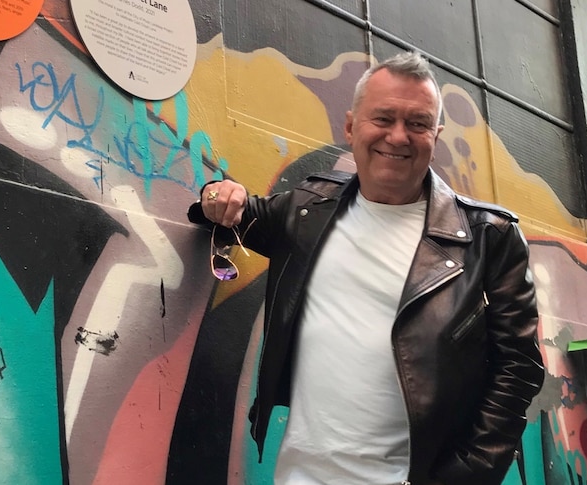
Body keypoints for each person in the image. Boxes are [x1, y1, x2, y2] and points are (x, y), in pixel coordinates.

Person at [187, 52, 544, 485]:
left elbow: (519, 368)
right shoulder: (307, 210)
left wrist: (467, 474)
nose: (398, 137)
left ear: (437, 135)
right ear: (352, 126)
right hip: (299, 476)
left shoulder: (490, 237)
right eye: (384, 119)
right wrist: (214, 194)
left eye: (417, 123)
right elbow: (233, 210)